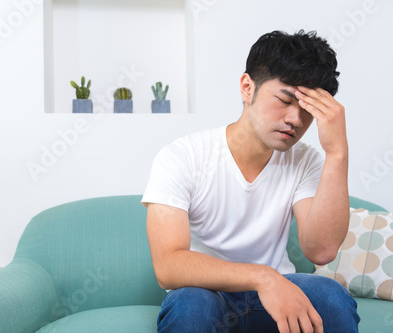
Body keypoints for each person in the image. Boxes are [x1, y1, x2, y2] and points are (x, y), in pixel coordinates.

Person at [142, 30, 360, 333]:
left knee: (329, 297)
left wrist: (337, 153)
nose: (296, 120)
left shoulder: (306, 160)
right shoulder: (182, 156)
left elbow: (320, 251)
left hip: (276, 297)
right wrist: (264, 277)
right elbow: (168, 267)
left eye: (308, 110)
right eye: (285, 100)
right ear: (248, 87)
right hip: (208, 294)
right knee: (190, 305)